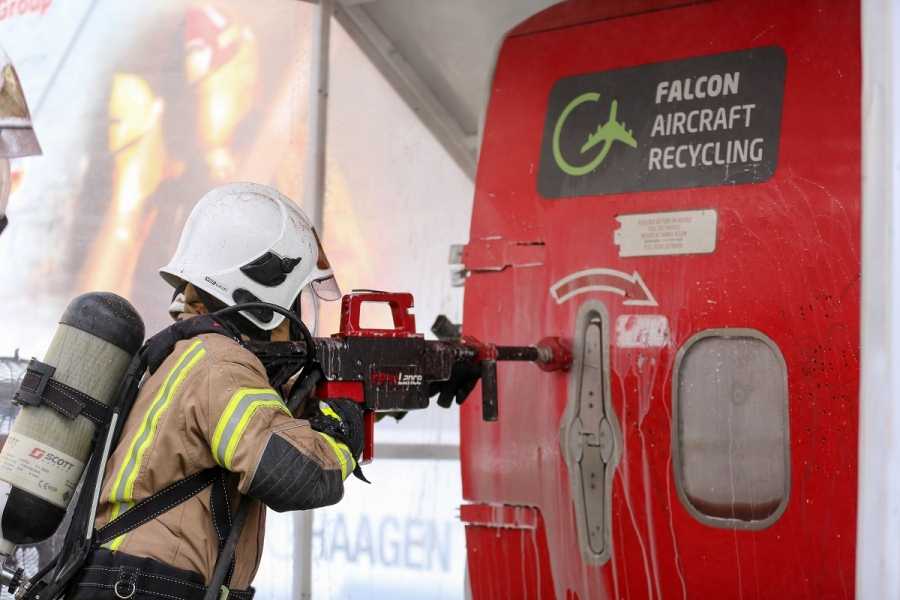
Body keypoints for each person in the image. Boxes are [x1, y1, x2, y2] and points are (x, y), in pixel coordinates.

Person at [67, 182, 363, 600]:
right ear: (259, 297)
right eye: (293, 302)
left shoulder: (192, 356)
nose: (294, 322)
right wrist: (343, 435)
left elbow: (272, 419)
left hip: (134, 583)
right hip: (148, 588)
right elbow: (296, 474)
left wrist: (378, 395)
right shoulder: (220, 364)